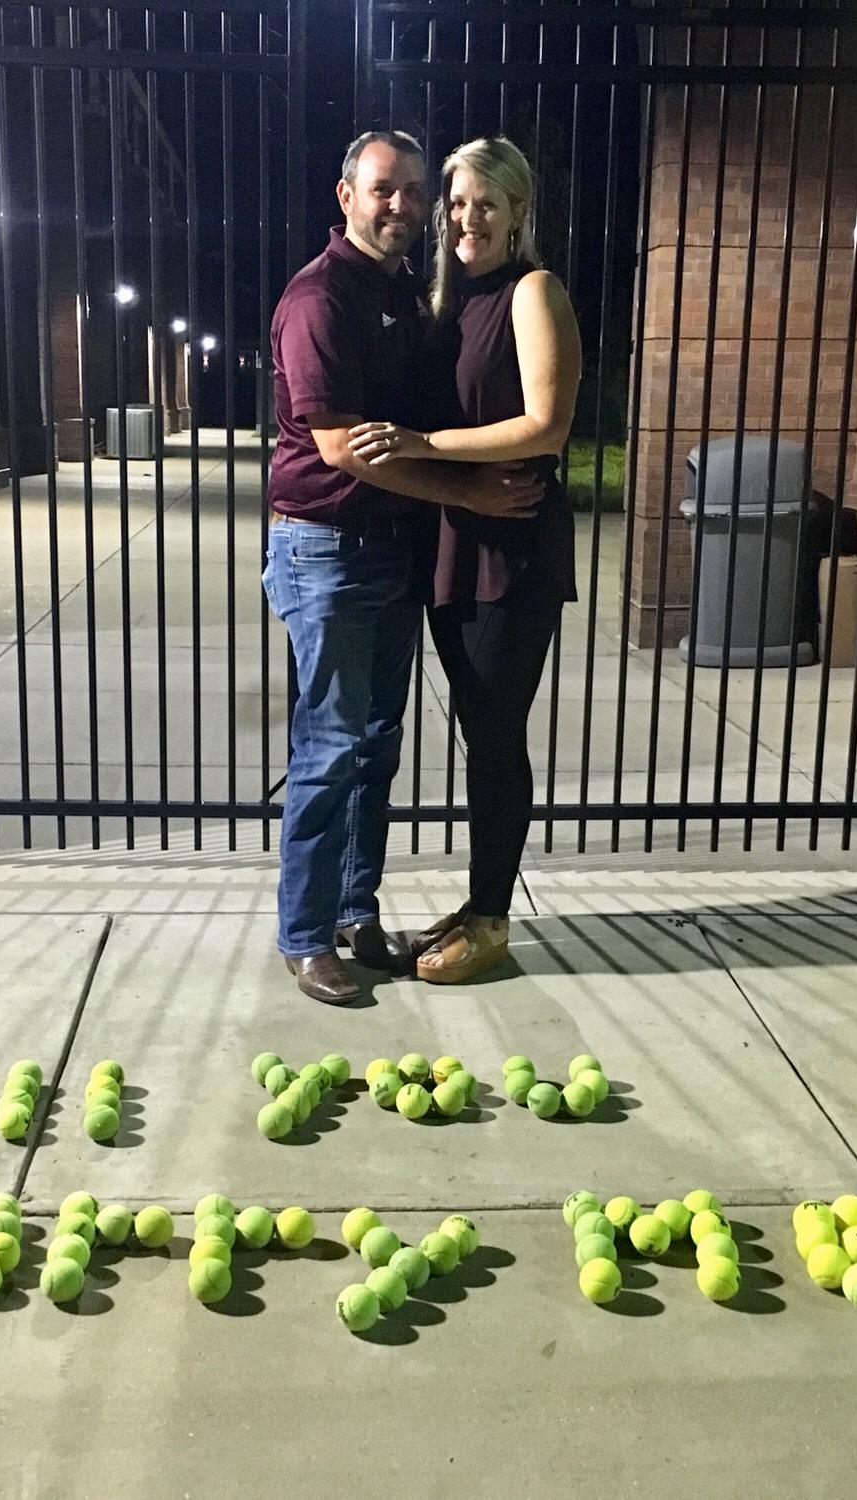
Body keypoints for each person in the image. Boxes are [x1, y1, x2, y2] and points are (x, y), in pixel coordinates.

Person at [264, 130, 542, 1006]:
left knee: (374, 749)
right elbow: (344, 447)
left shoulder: (403, 298)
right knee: (332, 746)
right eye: (386, 189)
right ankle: (306, 935)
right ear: (345, 195)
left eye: (416, 191)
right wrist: (464, 497)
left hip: (389, 552)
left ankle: (354, 915)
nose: (404, 206)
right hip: (329, 552)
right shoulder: (320, 299)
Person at [347, 137, 582, 984]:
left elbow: (547, 425)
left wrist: (424, 443)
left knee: (493, 732)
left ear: (518, 209)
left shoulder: (532, 292)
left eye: (485, 202)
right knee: (477, 730)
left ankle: (492, 919)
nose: (464, 218)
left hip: (512, 540)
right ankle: (480, 901)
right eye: (454, 203)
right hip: (452, 535)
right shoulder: (448, 299)